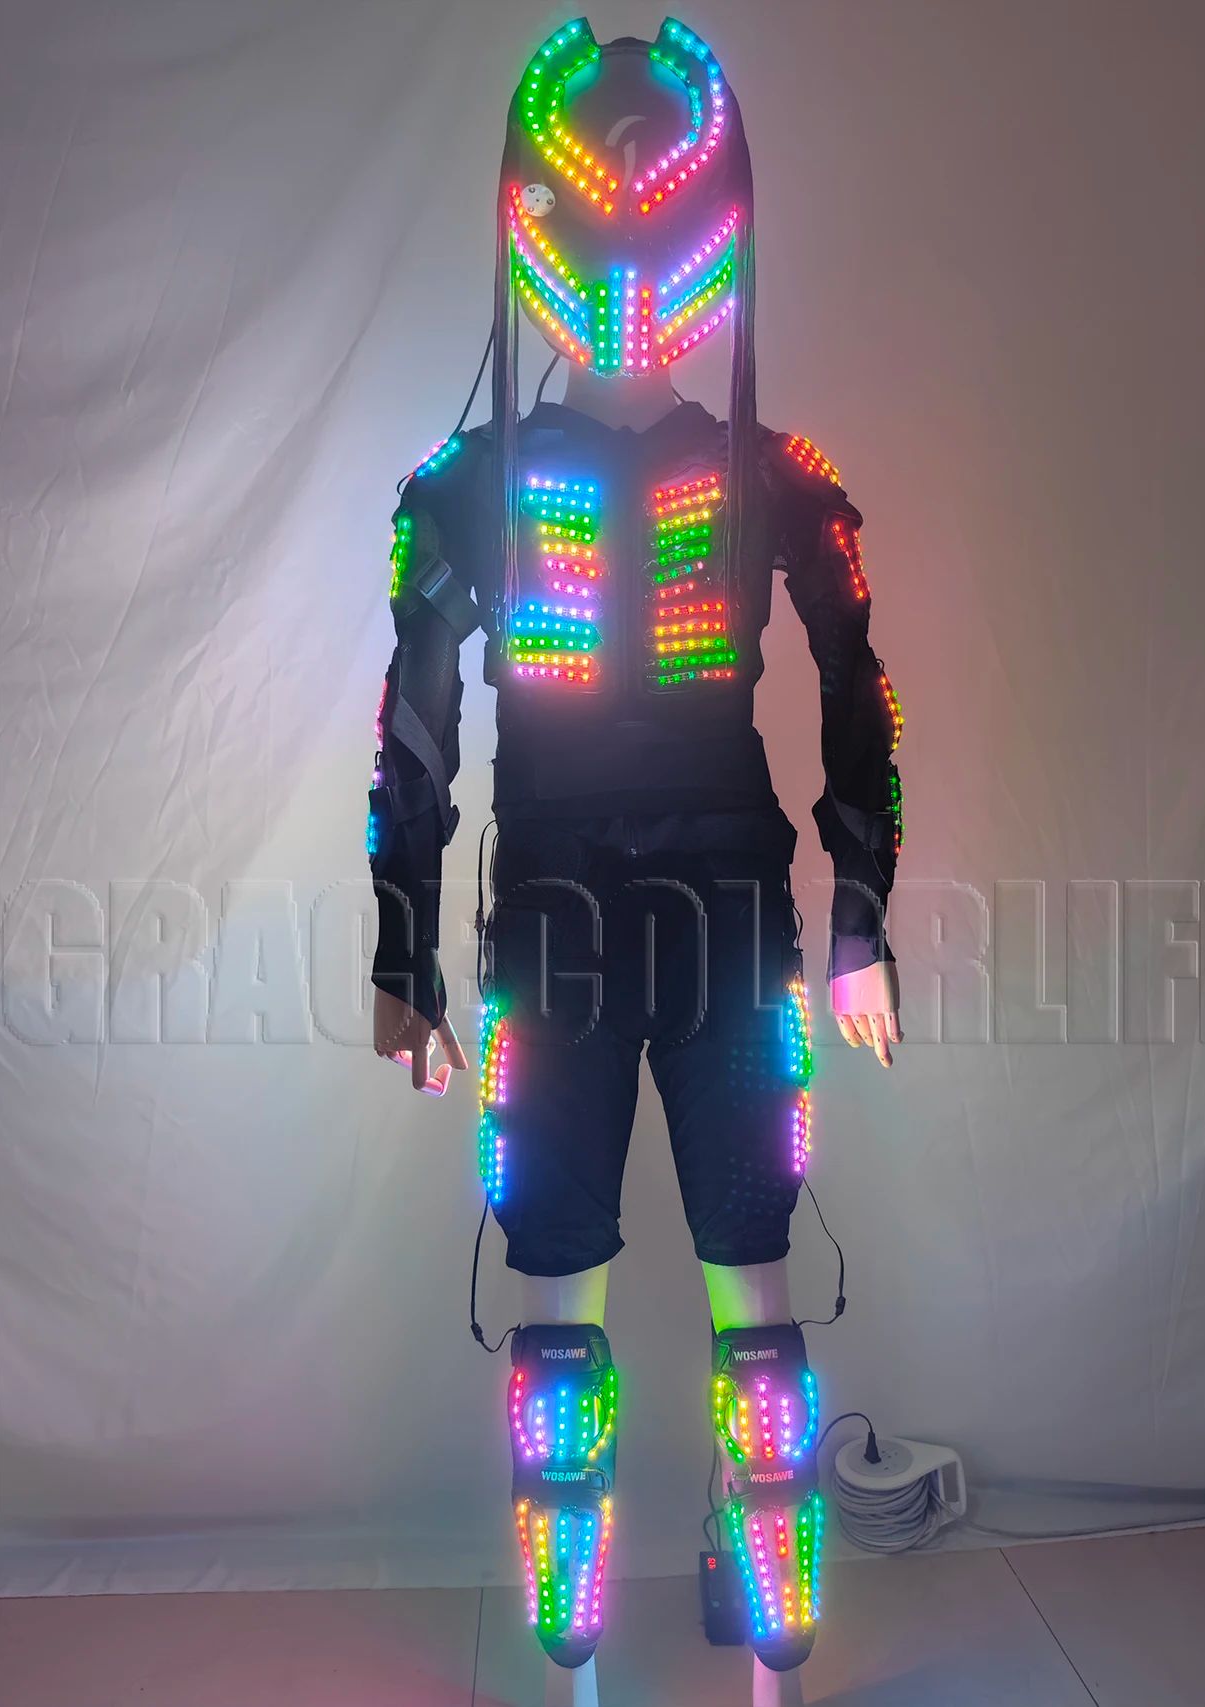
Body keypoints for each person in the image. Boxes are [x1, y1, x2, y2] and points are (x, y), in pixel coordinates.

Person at [367, 16, 904, 1680]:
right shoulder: (760, 478)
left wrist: (404, 950)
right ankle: (673, 1650)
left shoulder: (478, 488)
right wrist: (859, 921)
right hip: (687, 920)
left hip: (592, 926)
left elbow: (415, 735)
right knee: (710, 1297)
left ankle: (632, 1655)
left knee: (628, 1305)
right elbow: (416, 733)